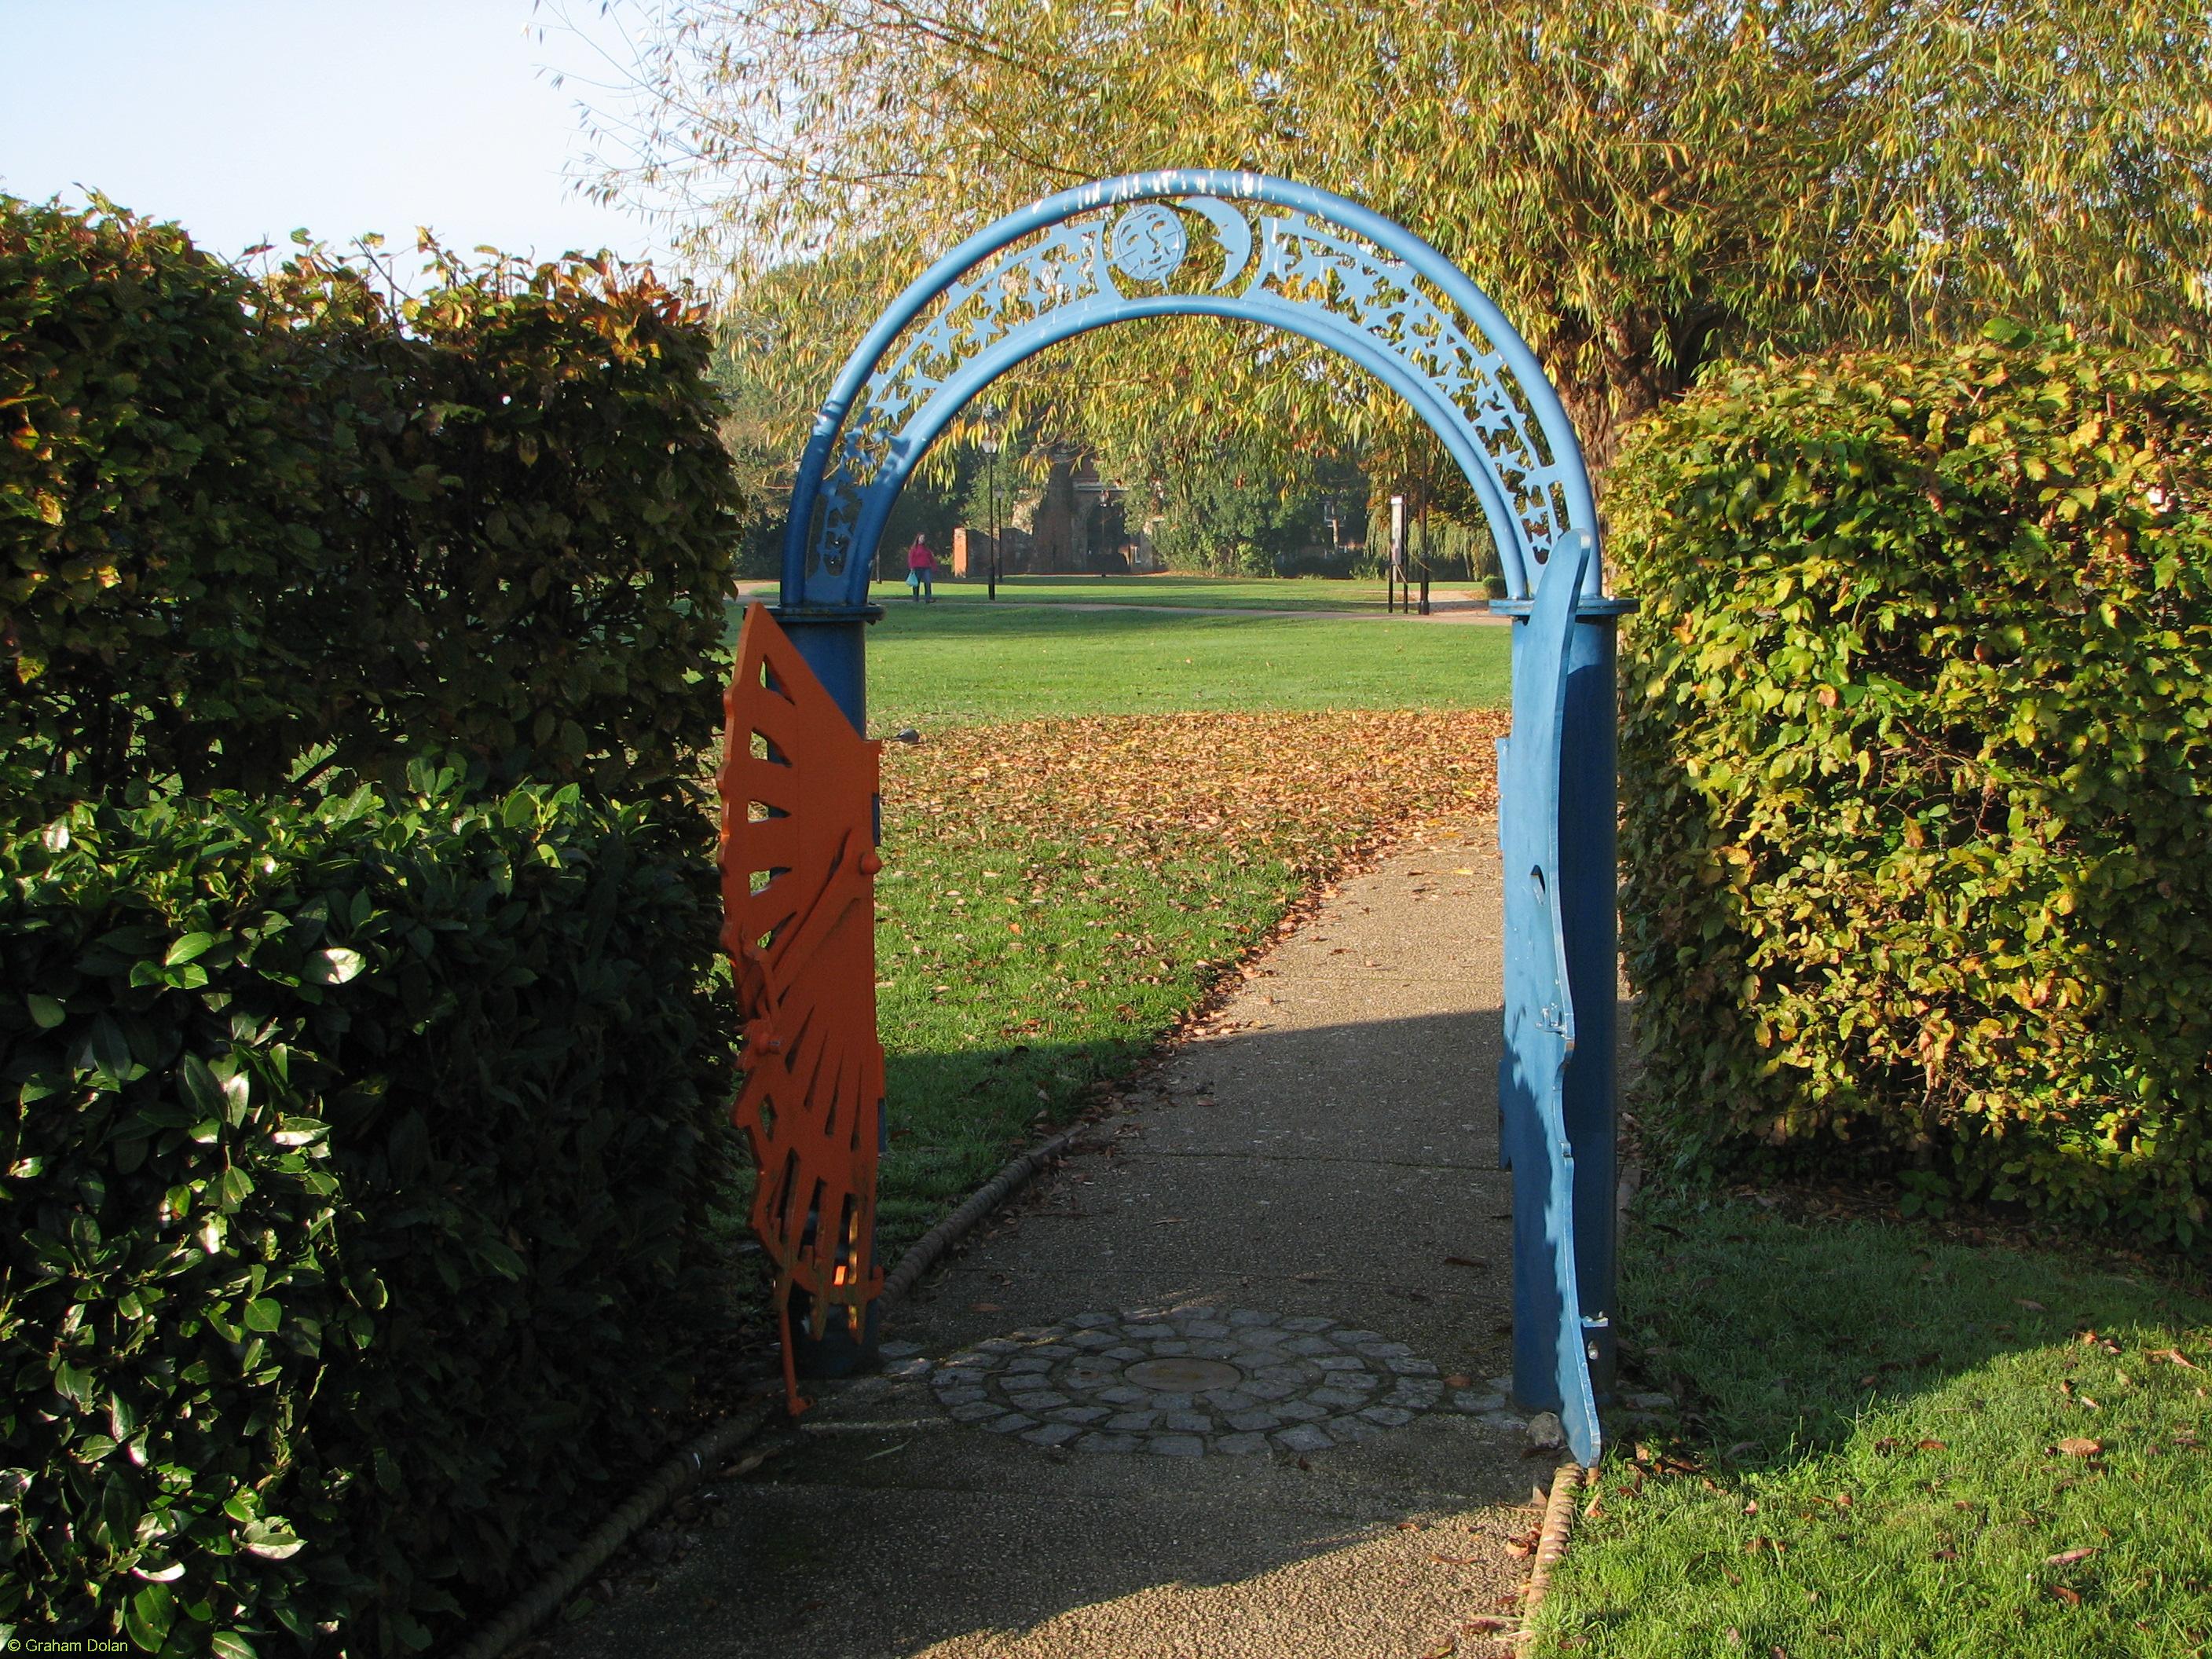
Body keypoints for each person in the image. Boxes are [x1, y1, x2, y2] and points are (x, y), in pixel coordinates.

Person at [905, 534, 936, 602]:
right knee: (916, 583)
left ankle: (928, 598)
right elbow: (910, 559)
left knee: (928, 582)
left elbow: (931, 559)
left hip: (926, 568)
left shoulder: (927, 549)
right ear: (918, 539)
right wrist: (911, 567)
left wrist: (934, 567)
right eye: (921, 538)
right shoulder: (914, 549)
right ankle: (915, 598)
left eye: (923, 538)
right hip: (917, 568)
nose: (922, 539)